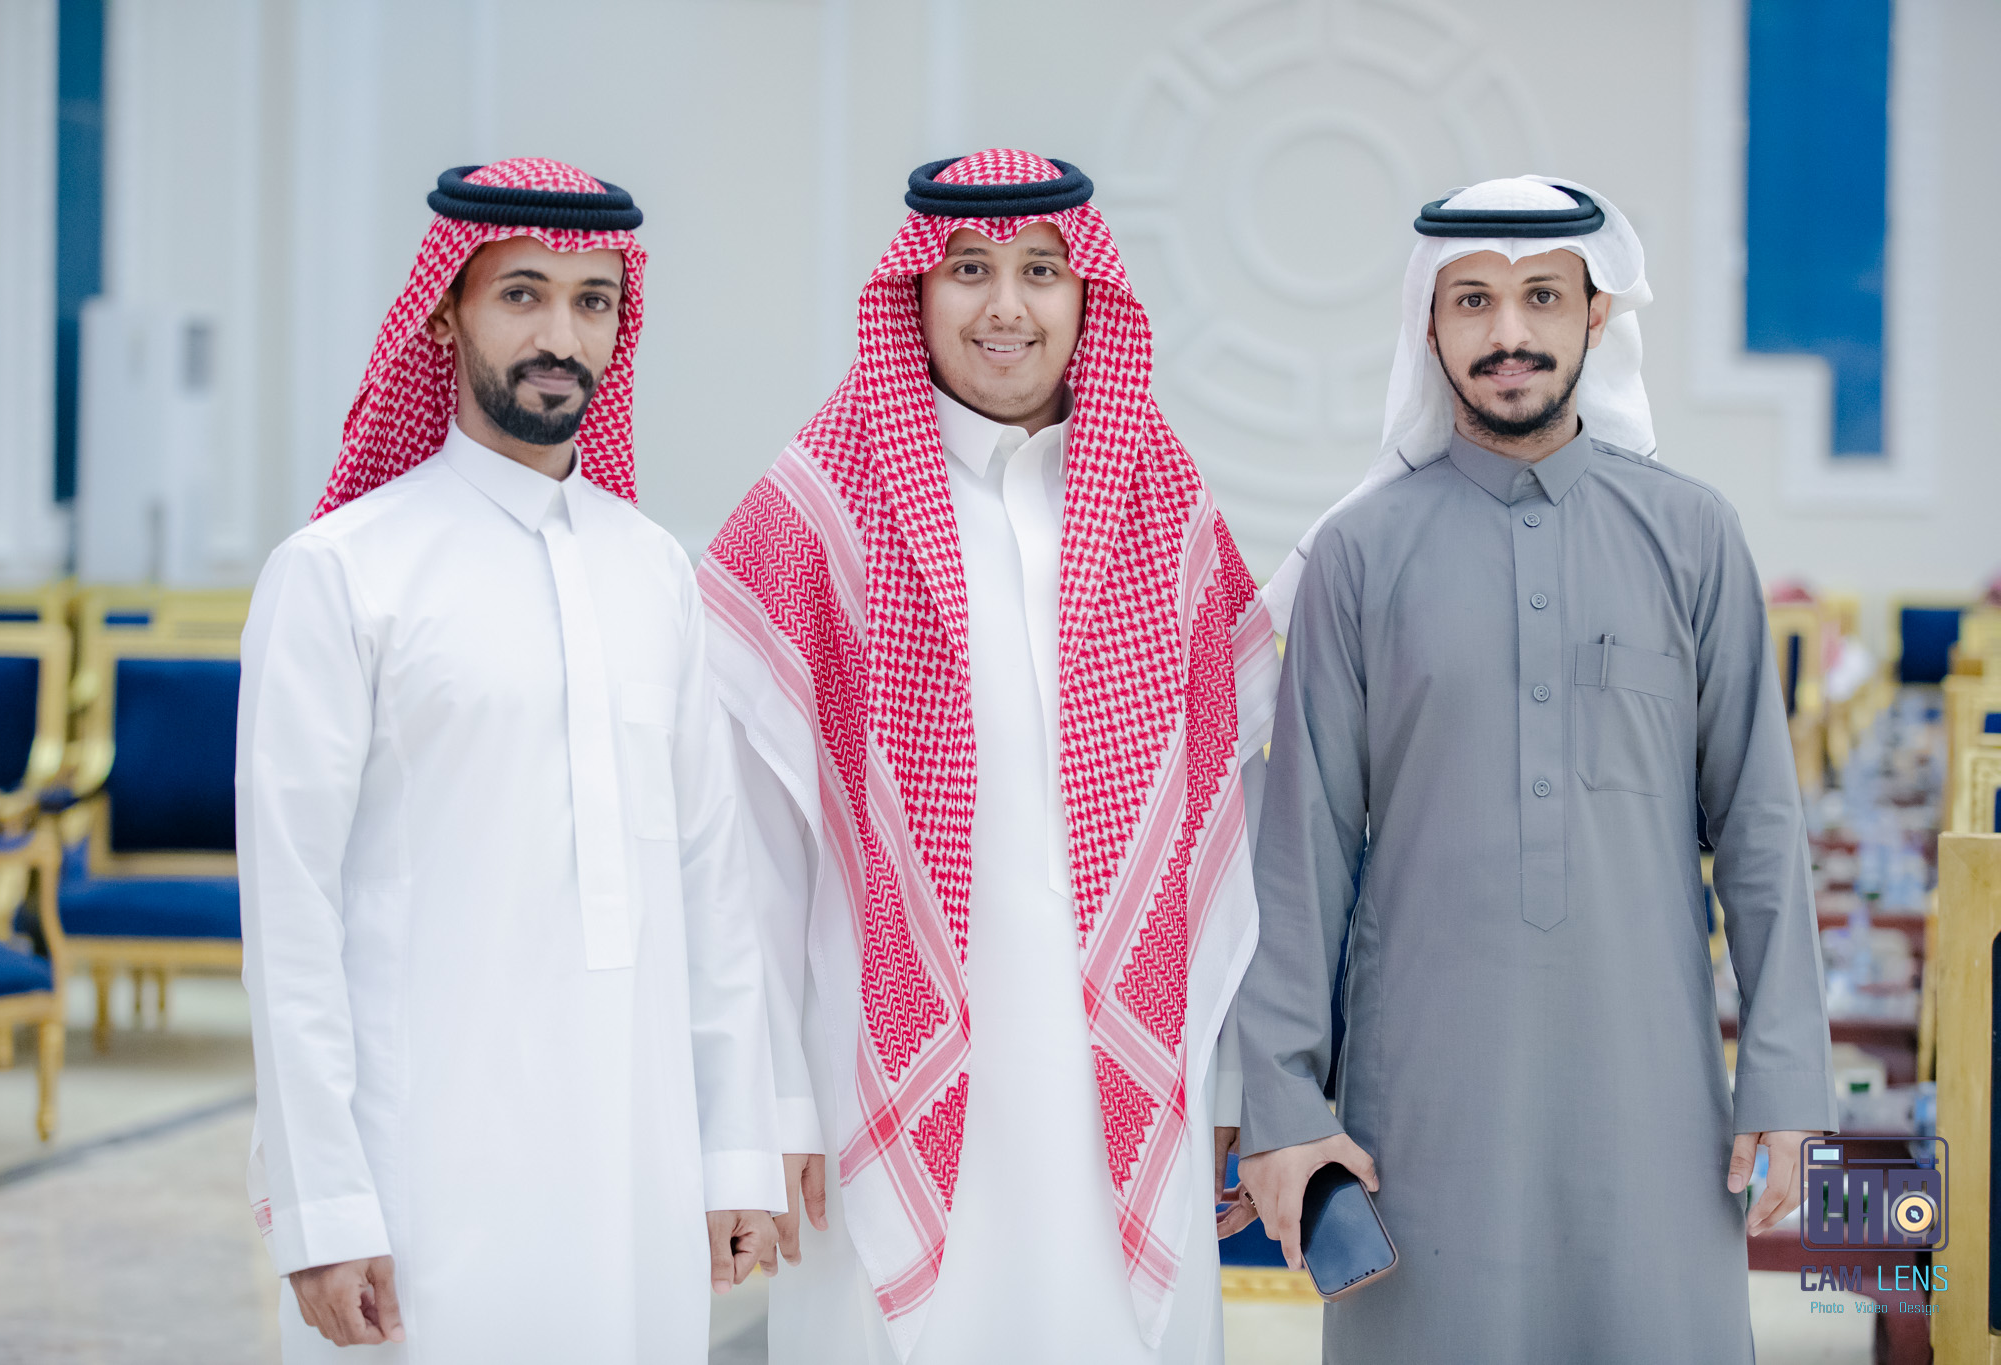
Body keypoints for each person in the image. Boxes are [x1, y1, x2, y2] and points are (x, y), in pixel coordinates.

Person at [1236, 176, 1837, 1363]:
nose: (1506, 332)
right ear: (1428, 325)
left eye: (1541, 298)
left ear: (1595, 316)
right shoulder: (1358, 557)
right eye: (1471, 300)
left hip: (1654, 1097)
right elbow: (1299, 852)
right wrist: (1283, 1103)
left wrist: (1783, 1076)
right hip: (1419, 1113)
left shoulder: (1692, 537)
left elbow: (1760, 829)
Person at [699, 149, 1278, 1362]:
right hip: (871, 1069)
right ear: (914, 288)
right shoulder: (815, 511)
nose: (1004, 305)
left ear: (1086, 295)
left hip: (1128, 1077)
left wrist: (1230, 1089)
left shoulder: (1158, 500)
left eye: (1039, 272)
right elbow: (747, 846)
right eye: (967, 269)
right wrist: (773, 1100)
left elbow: (1224, 822)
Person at [237, 158, 785, 1363]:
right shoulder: (339, 573)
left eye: (593, 302)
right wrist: (324, 1208)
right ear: (446, 312)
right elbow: (290, 921)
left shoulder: (654, 570)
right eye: (522, 294)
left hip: (636, 1165)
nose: (560, 336)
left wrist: (736, 1149)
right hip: (422, 1177)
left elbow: (713, 889)